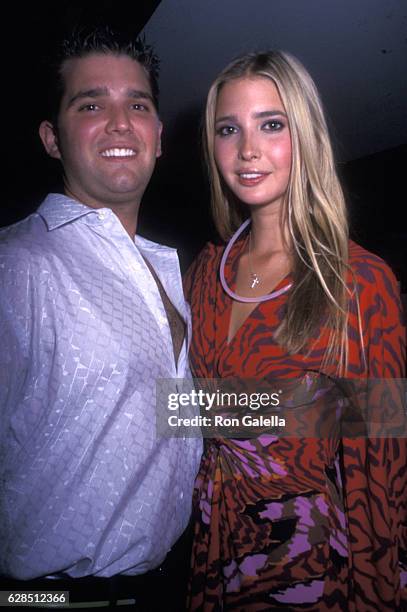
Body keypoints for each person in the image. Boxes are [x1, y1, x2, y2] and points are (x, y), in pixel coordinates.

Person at [184, 51, 406, 611]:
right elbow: (179, 418)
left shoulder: (359, 282)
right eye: (228, 129)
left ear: (304, 136)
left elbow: (381, 472)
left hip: (302, 559)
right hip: (210, 546)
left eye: (272, 125)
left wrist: (381, 596)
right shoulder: (204, 275)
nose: (248, 149)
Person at [0, 26, 201, 609]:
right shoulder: (17, 267)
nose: (120, 123)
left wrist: (376, 408)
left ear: (158, 137)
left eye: (137, 105)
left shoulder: (170, 272)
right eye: (91, 104)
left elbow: (171, 412)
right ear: (52, 138)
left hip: (165, 591)